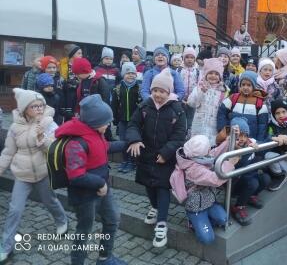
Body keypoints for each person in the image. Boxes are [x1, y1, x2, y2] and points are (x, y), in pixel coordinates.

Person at [55, 94, 127, 265]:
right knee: (84, 231)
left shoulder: (95, 132)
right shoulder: (76, 143)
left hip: (102, 189)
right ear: (94, 122)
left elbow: (104, 147)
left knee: (112, 219)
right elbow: (76, 175)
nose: (108, 125)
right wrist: (100, 183)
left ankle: (105, 257)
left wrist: (127, 143)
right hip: (85, 196)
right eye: (106, 122)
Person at [0, 89, 67, 263]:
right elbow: (7, 152)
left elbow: (55, 148)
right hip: (22, 175)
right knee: (15, 210)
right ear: (24, 109)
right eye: (34, 106)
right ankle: (6, 247)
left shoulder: (49, 123)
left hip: (43, 171)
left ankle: (62, 220)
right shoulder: (15, 128)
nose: (39, 109)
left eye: (41, 105)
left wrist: (41, 138)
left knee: (50, 200)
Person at [126, 68, 186, 248]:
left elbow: (179, 135)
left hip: (165, 157)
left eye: (161, 91)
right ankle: (154, 206)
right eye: (155, 90)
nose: (157, 94)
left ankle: (161, 224)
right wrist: (135, 139)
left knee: (161, 187)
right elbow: (133, 124)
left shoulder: (177, 109)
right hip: (146, 154)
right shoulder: (145, 106)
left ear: (169, 92)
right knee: (148, 185)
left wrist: (166, 153)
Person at [175, 135, 238, 244]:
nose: (210, 150)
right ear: (201, 154)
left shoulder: (194, 156)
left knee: (223, 219)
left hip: (209, 201)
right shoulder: (193, 169)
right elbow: (215, 180)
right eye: (207, 149)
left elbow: (214, 153)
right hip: (196, 207)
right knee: (208, 239)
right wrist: (230, 164)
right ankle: (193, 221)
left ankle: (204, 220)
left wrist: (228, 141)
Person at [229, 117, 270, 226]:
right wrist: (247, 151)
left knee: (266, 178)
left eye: (244, 135)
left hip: (250, 177)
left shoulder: (251, 142)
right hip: (235, 183)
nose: (242, 139)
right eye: (238, 136)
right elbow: (239, 167)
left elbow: (265, 145)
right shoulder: (230, 149)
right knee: (253, 183)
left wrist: (275, 138)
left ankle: (251, 196)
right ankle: (238, 206)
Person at [217, 71, 268, 143]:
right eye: (243, 85)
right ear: (240, 85)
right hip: (232, 138)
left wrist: (259, 141)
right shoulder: (233, 98)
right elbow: (222, 113)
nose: (245, 87)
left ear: (254, 86)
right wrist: (223, 130)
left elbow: (262, 125)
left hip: (250, 139)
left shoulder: (259, 102)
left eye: (249, 85)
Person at [188, 58, 228, 146]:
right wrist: (201, 92)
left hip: (213, 129)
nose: (213, 76)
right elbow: (191, 103)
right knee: (197, 149)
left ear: (220, 76)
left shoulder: (224, 91)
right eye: (210, 73)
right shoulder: (199, 87)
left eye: (216, 74)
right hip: (199, 127)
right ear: (205, 74)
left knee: (211, 149)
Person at [111, 63, 141, 173]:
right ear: (123, 74)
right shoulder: (118, 89)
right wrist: (115, 119)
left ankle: (133, 162)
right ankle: (125, 160)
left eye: (133, 73)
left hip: (135, 122)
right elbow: (114, 104)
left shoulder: (139, 88)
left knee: (133, 141)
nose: (131, 76)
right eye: (128, 73)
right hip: (123, 121)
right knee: (123, 141)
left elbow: (142, 105)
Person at [178, 47, 200, 131]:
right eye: (187, 57)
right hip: (181, 99)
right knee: (181, 117)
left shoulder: (197, 71)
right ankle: (181, 131)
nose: (189, 59)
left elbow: (199, 85)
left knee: (191, 117)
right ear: (183, 58)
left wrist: (195, 98)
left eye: (192, 57)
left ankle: (189, 131)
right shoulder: (179, 70)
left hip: (193, 100)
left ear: (195, 59)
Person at [60, 43, 83, 119]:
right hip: (65, 95)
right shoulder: (62, 65)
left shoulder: (82, 65)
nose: (81, 55)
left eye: (81, 53)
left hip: (78, 94)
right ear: (72, 54)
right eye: (79, 53)